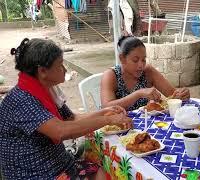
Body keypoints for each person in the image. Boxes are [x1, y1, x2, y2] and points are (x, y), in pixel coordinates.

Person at [0, 38, 132, 179]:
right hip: (37, 174)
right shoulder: (22, 99)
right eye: (60, 65)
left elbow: (71, 118)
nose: (64, 70)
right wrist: (108, 119)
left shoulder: (46, 90)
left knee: (105, 171)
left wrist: (104, 112)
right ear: (43, 71)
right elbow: (61, 131)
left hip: (59, 164)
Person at [101, 36, 190, 111]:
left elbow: (172, 95)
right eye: (135, 60)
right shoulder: (111, 75)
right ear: (122, 59)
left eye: (143, 60)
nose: (141, 65)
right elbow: (107, 108)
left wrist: (181, 95)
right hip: (120, 127)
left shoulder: (148, 71)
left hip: (147, 125)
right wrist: (138, 94)